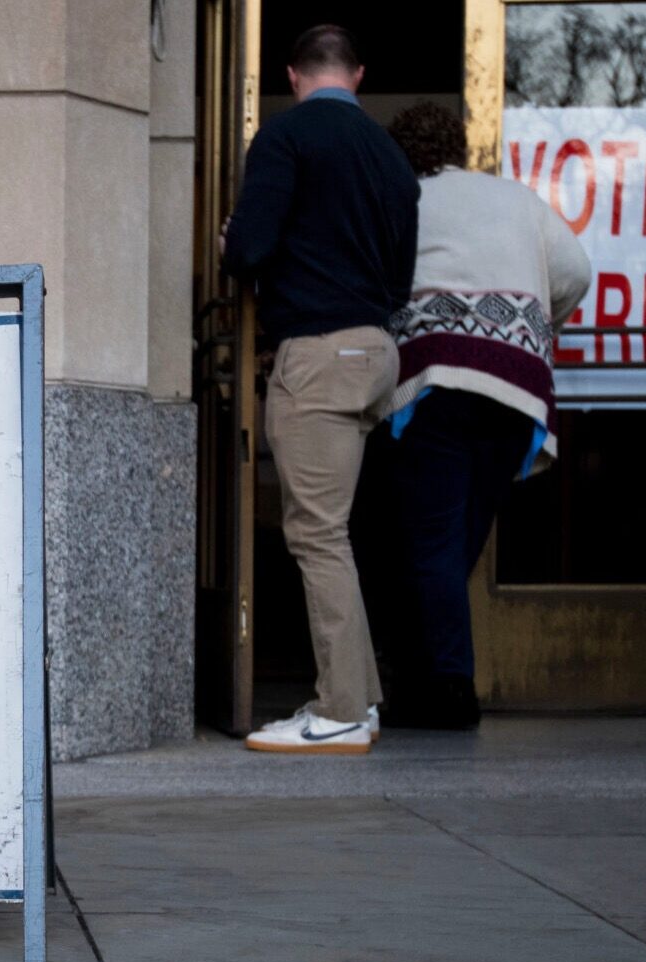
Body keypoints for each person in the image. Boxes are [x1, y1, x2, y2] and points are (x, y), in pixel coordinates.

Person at [360, 102, 590, 729]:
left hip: (438, 383)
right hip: (517, 389)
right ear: (460, 146)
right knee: (456, 540)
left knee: (428, 541)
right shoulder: (517, 199)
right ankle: (421, 681)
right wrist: (535, 327)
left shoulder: (403, 199)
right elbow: (576, 271)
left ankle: (451, 690)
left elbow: (370, 285)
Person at [221, 24, 419, 755]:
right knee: (333, 532)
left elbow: (248, 249)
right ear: (357, 75)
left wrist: (229, 243)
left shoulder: (286, 137)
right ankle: (356, 702)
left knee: (316, 536)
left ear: (292, 74)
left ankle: (337, 709)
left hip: (317, 354)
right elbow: (398, 279)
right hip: (376, 351)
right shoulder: (392, 157)